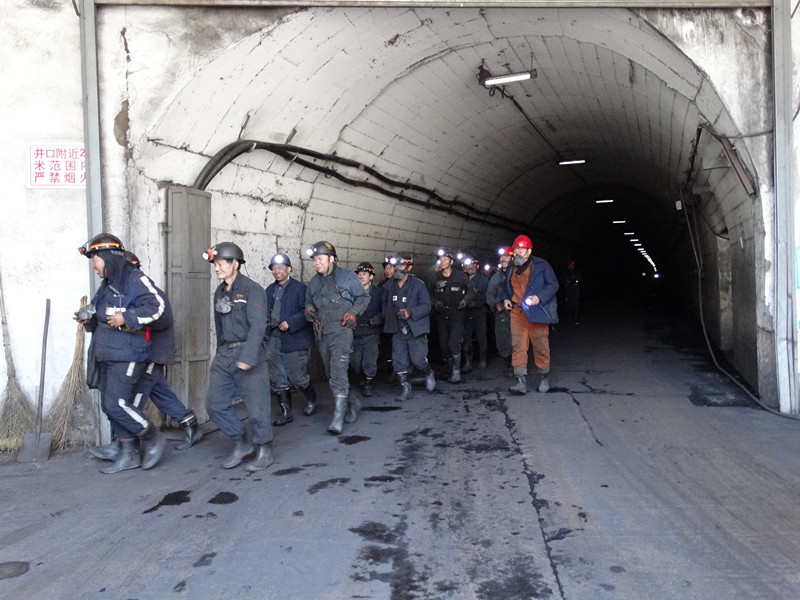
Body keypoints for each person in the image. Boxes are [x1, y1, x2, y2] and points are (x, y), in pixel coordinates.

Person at [77, 233, 167, 474]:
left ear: (107, 257)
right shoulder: (108, 283)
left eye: (95, 259)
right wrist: (88, 319)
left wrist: (126, 317)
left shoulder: (134, 278)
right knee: (109, 405)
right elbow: (100, 312)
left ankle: (152, 437)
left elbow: (158, 306)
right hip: (106, 352)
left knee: (116, 403)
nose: (93, 265)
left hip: (127, 353)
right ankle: (127, 453)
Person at [203, 242, 273, 471]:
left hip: (248, 352)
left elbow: (258, 325)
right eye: (214, 264)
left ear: (235, 264)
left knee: (257, 408)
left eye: (220, 263)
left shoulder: (252, 289)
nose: (216, 268)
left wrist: (249, 356)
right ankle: (242, 442)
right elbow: (219, 326)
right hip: (225, 354)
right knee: (214, 404)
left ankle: (264, 450)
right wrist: (219, 354)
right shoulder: (219, 292)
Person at [304, 241, 369, 435]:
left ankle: (338, 416)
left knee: (338, 371)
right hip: (323, 334)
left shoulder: (347, 277)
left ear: (331, 259)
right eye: (314, 260)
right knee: (331, 373)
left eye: (320, 259)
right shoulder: (313, 283)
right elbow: (308, 302)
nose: (316, 263)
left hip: (342, 331)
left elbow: (364, 297)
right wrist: (309, 309)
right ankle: (353, 401)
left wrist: (354, 313)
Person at [501, 234, 559, 395]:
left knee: (541, 346)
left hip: (536, 312)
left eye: (521, 250)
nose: (517, 253)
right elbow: (505, 287)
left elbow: (553, 285)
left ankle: (544, 377)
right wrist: (506, 298)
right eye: (515, 250)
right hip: (517, 312)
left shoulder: (541, 265)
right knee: (518, 345)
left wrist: (539, 297)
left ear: (529, 251)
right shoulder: (511, 267)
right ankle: (521, 382)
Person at [264, 252, 317, 427]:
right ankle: (286, 413)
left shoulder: (300, 289)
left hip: (295, 339)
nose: (276, 271)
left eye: (280, 267)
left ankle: (312, 399)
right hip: (274, 339)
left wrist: (290, 322)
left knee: (297, 377)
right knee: (277, 377)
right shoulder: (269, 290)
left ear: (289, 269)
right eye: (274, 268)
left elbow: (308, 312)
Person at [381, 253, 436, 401]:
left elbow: (427, 306)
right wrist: (386, 316)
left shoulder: (418, 285)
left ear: (409, 268)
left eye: (402, 265)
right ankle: (406, 390)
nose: (398, 268)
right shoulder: (389, 285)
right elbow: (384, 302)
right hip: (398, 329)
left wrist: (410, 312)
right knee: (399, 361)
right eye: (396, 265)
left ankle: (428, 372)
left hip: (415, 329)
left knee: (418, 360)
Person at [430, 248, 475, 383]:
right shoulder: (435, 277)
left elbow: (471, 290)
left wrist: (465, 300)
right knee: (444, 344)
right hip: (442, 315)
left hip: (457, 314)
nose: (442, 261)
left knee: (453, 342)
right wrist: (435, 303)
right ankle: (450, 367)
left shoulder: (460, 276)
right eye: (441, 259)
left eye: (445, 259)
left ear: (451, 261)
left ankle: (456, 372)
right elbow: (428, 294)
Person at [351, 262, 383, 397]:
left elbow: (384, 310)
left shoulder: (378, 293)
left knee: (369, 360)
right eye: (359, 274)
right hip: (355, 331)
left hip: (371, 332)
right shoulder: (351, 292)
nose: (360, 276)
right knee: (355, 361)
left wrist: (378, 319)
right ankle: (360, 377)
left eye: (364, 274)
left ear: (371, 277)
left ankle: (368, 383)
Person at [486, 246, 514, 376]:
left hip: (517, 313)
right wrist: (495, 304)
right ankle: (509, 365)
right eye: (502, 257)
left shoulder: (518, 275)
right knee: (503, 342)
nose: (503, 259)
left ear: (512, 258)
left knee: (518, 341)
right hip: (502, 315)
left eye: (506, 256)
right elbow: (489, 294)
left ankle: (518, 366)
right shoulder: (496, 278)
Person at [460, 252, 490, 371]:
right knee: (466, 337)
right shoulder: (462, 279)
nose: (470, 268)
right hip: (466, 314)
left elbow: (488, 297)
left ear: (477, 267)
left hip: (480, 313)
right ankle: (468, 362)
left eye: (473, 266)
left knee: (481, 336)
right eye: (468, 266)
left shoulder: (483, 281)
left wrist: (476, 303)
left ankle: (483, 360)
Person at [560, 259, 583, 324]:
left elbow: (581, 279)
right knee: (568, 304)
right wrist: (566, 283)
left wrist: (577, 279)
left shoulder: (577, 272)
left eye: (572, 265)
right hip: (568, 291)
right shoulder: (565, 272)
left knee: (576, 304)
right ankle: (569, 318)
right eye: (570, 265)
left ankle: (575, 318)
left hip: (575, 291)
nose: (571, 266)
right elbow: (561, 280)